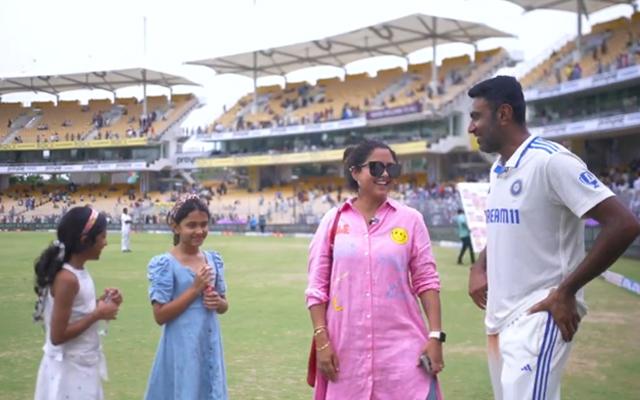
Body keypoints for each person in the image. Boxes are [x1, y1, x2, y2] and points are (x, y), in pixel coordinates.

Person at [466, 76, 640, 400]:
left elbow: (623, 223)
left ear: (503, 114)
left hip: (539, 314)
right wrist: (479, 266)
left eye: (477, 116)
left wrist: (566, 291)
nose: (471, 127)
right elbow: (506, 227)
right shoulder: (499, 169)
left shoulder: (551, 161)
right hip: (500, 320)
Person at [306, 139, 445, 400]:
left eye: (391, 169)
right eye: (376, 167)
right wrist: (322, 342)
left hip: (404, 357)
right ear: (355, 172)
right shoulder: (333, 222)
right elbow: (316, 289)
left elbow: (427, 281)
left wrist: (435, 336)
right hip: (345, 354)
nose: (385, 175)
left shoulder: (411, 220)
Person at [144, 194, 229, 400]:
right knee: (184, 390)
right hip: (181, 345)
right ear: (176, 227)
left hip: (208, 340)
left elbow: (224, 304)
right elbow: (160, 315)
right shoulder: (165, 264)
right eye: (191, 225)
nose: (199, 231)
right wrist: (194, 289)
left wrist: (218, 302)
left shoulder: (212, 260)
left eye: (204, 225)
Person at [33, 206, 123, 400]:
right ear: (85, 241)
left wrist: (103, 302)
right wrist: (98, 314)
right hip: (68, 370)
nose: (105, 243)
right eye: (102, 237)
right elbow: (57, 335)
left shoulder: (78, 272)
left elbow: (77, 311)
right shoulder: (67, 279)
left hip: (83, 364)